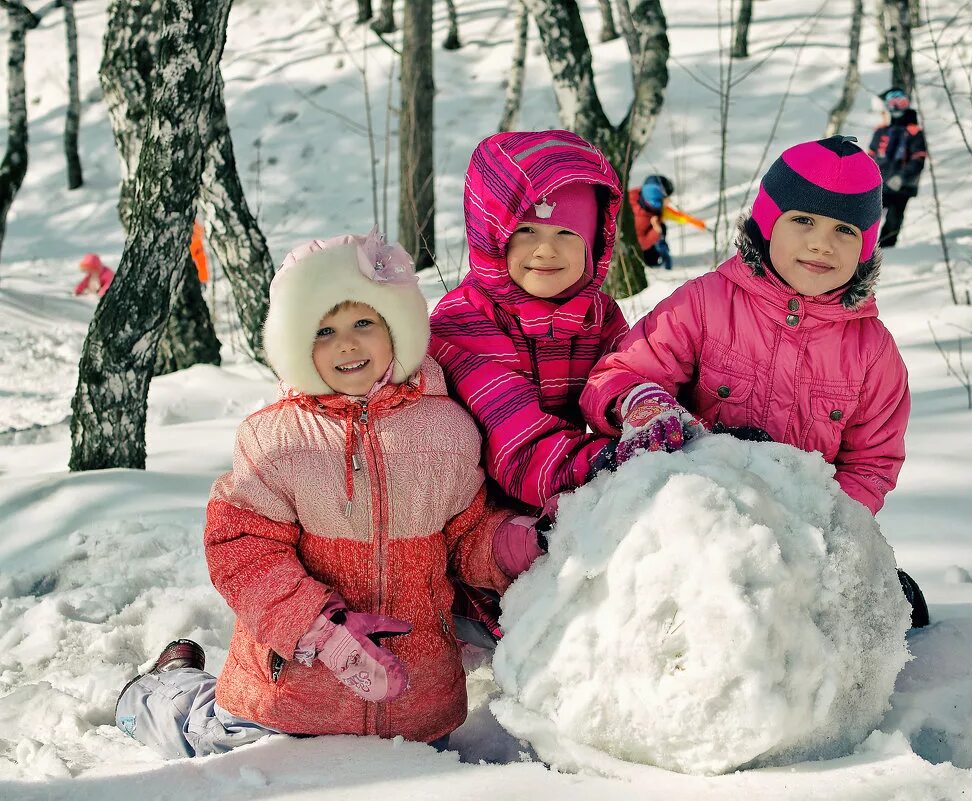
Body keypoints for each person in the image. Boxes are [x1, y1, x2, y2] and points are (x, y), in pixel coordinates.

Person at [114, 230, 545, 759]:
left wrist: (503, 543)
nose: (347, 343)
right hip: (290, 700)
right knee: (203, 734)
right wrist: (321, 630)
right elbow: (242, 550)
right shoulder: (276, 439)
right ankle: (157, 693)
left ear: (399, 327)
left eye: (364, 322)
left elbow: (462, 532)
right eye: (323, 330)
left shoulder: (446, 430)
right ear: (296, 346)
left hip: (415, 704)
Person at [581, 135, 928, 628]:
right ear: (768, 224)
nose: (820, 242)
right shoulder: (705, 304)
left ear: (866, 245)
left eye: (845, 230)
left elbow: (873, 460)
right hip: (696, 514)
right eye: (803, 220)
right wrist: (643, 405)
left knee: (857, 616)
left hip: (803, 528)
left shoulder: (872, 353)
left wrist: (831, 521)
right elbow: (621, 373)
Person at [429, 130, 633, 642]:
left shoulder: (598, 315)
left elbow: (622, 381)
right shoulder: (464, 323)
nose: (547, 250)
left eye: (568, 234)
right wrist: (616, 461)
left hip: (558, 494)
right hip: (472, 525)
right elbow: (518, 448)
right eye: (526, 231)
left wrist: (649, 415)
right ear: (492, 232)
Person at [868, 88, 928, 248]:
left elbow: (919, 159)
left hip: (902, 187)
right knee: (868, 218)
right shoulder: (881, 131)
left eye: (901, 102)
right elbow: (870, 157)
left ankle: (885, 251)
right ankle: (863, 251)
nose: (896, 107)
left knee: (894, 221)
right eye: (892, 102)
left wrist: (902, 177)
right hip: (879, 184)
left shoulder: (915, 132)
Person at [630, 174, 675, 270]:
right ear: (656, 201)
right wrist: (656, 231)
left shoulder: (642, 196)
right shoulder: (641, 219)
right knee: (652, 258)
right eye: (666, 199)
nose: (669, 201)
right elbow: (640, 243)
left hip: (649, 226)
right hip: (640, 250)